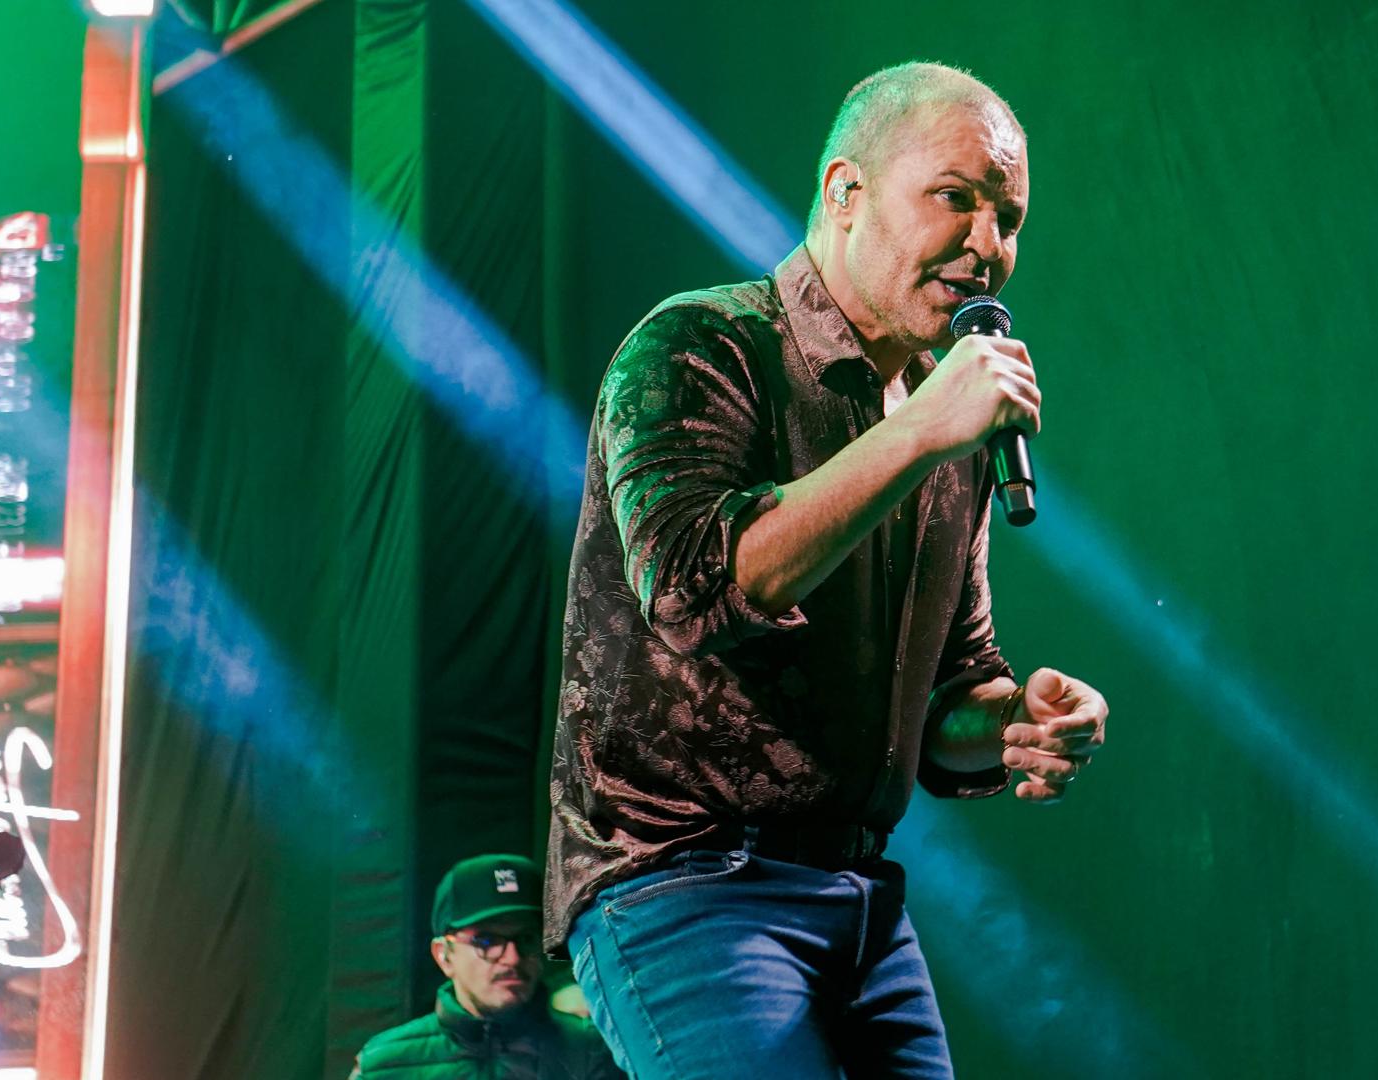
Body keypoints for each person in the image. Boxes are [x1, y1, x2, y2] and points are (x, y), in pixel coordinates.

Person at [545, 61, 1110, 1079]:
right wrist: (917, 435)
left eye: (1009, 217)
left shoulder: (945, 429)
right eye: (956, 197)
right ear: (846, 191)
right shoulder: (700, 345)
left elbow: (952, 695)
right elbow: (694, 588)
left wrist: (1013, 720)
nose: (989, 243)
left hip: (861, 901)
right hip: (684, 882)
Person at [352, 854, 621, 1079]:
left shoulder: (592, 1050)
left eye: (527, 939)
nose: (512, 958)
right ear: (444, 955)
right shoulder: (385, 1065)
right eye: (487, 941)